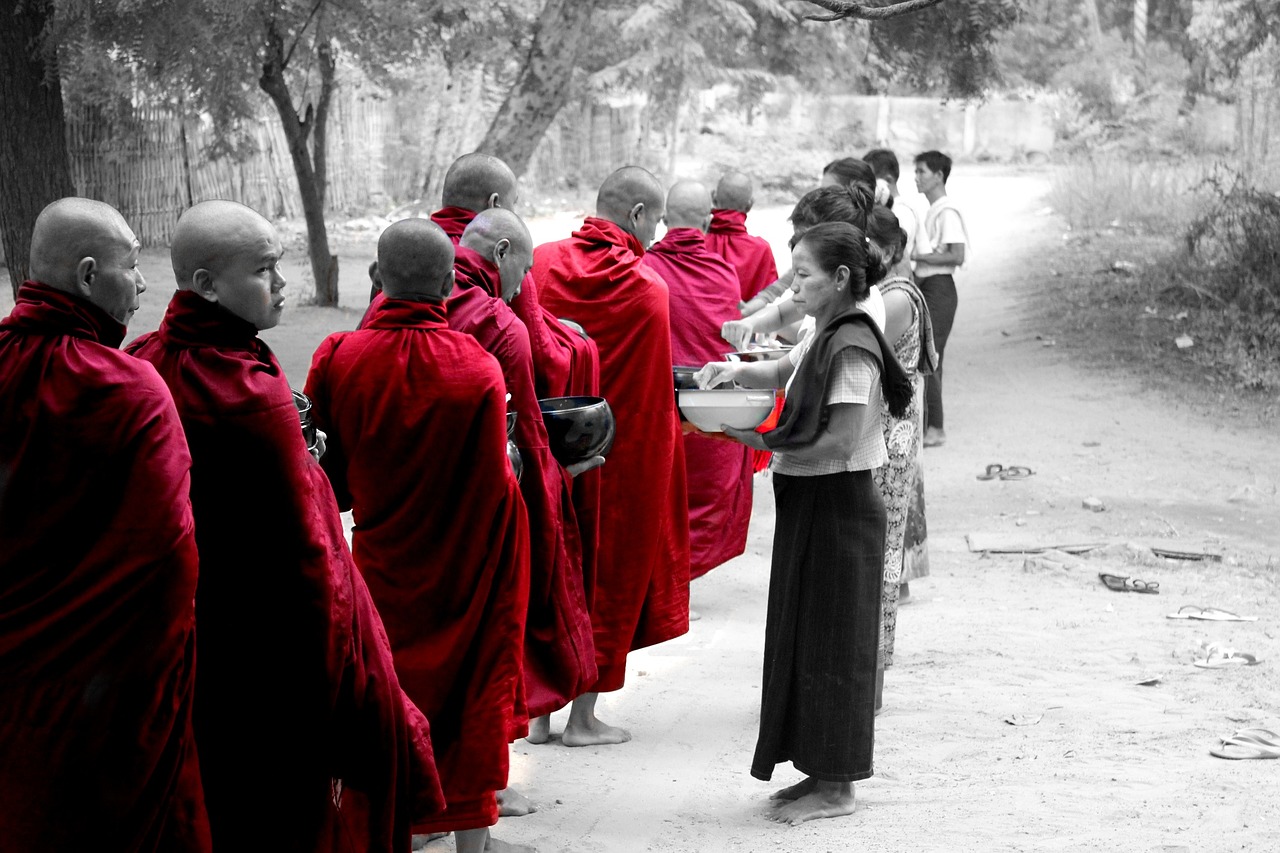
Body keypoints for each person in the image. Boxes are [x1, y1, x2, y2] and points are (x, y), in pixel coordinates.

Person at [127, 200, 443, 852]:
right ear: (208, 285)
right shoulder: (250, 389)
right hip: (269, 656)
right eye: (265, 270)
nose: (281, 284)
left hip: (178, 649)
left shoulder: (142, 362)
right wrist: (345, 680)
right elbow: (310, 556)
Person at [306, 218, 532, 853]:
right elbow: (493, 485)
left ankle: (392, 834)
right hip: (468, 572)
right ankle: (471, 845)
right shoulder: (479, 367)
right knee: (471, 703)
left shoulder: (339, 357)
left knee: (388, 699)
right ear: (447, 284)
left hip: (382, 568)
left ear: (378, 278)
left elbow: (334, 483)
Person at [0, 198, 212, 852]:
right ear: (89, 277)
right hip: (110, 696)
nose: (145, 283)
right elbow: (170, 557)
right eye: (131, 267)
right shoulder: (127, 387)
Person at [695, 221, 911, 826]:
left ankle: (838, 787)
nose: (793, 289)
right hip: (813, 504)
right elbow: (780, 369)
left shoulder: (853, 347)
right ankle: (818, 771)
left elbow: (842, 439)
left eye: (804, 277)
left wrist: (750, 437)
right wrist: (728, 372)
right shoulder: (824, 331)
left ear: (841, 278)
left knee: (838, 644)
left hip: (842, 508)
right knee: (805, 637)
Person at [534, 165, 692, 745]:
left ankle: (538, 719)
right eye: (656, 221)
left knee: (549, 570)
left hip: (548, 452)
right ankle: (583, 719)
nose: (656, 235)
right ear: (635, 216)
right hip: (618, 463)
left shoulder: (544, 262)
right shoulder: (648, 287)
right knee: (604, 574)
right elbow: (648, 401)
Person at [450, 208, 602, 757]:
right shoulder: (498, 323)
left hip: (404, 511)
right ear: (502, 254)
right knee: (491, 640)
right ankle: (485, 790)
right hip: (485, 507)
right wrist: (557, 483)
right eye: (524, 269)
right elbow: (526, 434)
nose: (523, 285)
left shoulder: (397, 304)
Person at [643, 180, 754, 580]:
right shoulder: (722, 272)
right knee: (707, 492)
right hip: (708, 401)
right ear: (707, 221)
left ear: (665, 220)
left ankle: (665, 576)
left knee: (660, 492)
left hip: (661, 401)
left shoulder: (645, 267)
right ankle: (681, 578)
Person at [863, 206, 938, 710]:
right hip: (885, 438)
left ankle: (871, 682)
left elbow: (853, 352)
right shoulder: (886, 293)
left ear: (887, 251)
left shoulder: (893, 301)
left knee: (879, 558)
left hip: (889, 445)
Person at [721, 183, 885, 352]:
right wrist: (749, 324)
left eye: (804, 274)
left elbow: (791, 365)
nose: (794, 285)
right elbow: (780, 314)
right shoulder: (827, 294)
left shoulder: (851, 323)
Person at [911, 150, 969, 448]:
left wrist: (917, 255)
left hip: (940, 288)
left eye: (921, 171)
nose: (916, 177)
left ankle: (935, 427)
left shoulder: (947, 211)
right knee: (929, 356)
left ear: (939, 175)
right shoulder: (932, 210)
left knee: (930, 357)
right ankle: (928, 426)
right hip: (928, 287)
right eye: (915, 171)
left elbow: (957, 255)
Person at [704, 170, 779, 303]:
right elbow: (766, 300)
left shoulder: (692, 243)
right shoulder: (761, 250)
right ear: (750, 204)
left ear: (713, 197)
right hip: (741, 323)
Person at [862, 148, 920, 279]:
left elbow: (893, 249)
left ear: (888, 180)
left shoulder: (902, 211)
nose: (865, 184)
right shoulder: (883, 207)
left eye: (870, 180)